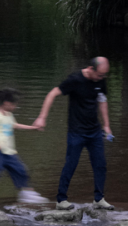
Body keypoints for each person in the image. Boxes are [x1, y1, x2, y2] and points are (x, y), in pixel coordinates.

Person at [33, 56, 114, 209]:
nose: (101, 78)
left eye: (104, 76)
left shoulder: (100, 80)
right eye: (100, 75)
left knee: (100, 164)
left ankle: (99, 199)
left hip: (95, 131)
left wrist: (107, 126)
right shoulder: (75, 79)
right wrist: (42, 117)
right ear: (91, 69)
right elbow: (52, 94)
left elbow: (102, 100)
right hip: (76, 132)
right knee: (71, 164)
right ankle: (61, 200)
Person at [0, 88, 46, 211]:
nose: (15, 107)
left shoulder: (9, 115)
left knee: (21, 171)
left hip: (9, 152)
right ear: (6, 103)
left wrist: (33, 128)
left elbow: (15, 125)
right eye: (13, 104)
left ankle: (27, 194)